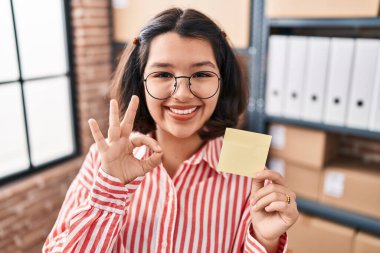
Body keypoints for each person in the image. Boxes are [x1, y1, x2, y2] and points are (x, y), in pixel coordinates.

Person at [43, 8, 298, 253]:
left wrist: (266, 241)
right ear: (140, 83)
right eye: (163, 74)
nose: (183, 94)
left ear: (223, 82)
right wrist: (110, 191)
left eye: (201, 74)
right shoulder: (103, 161)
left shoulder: (246, 167)